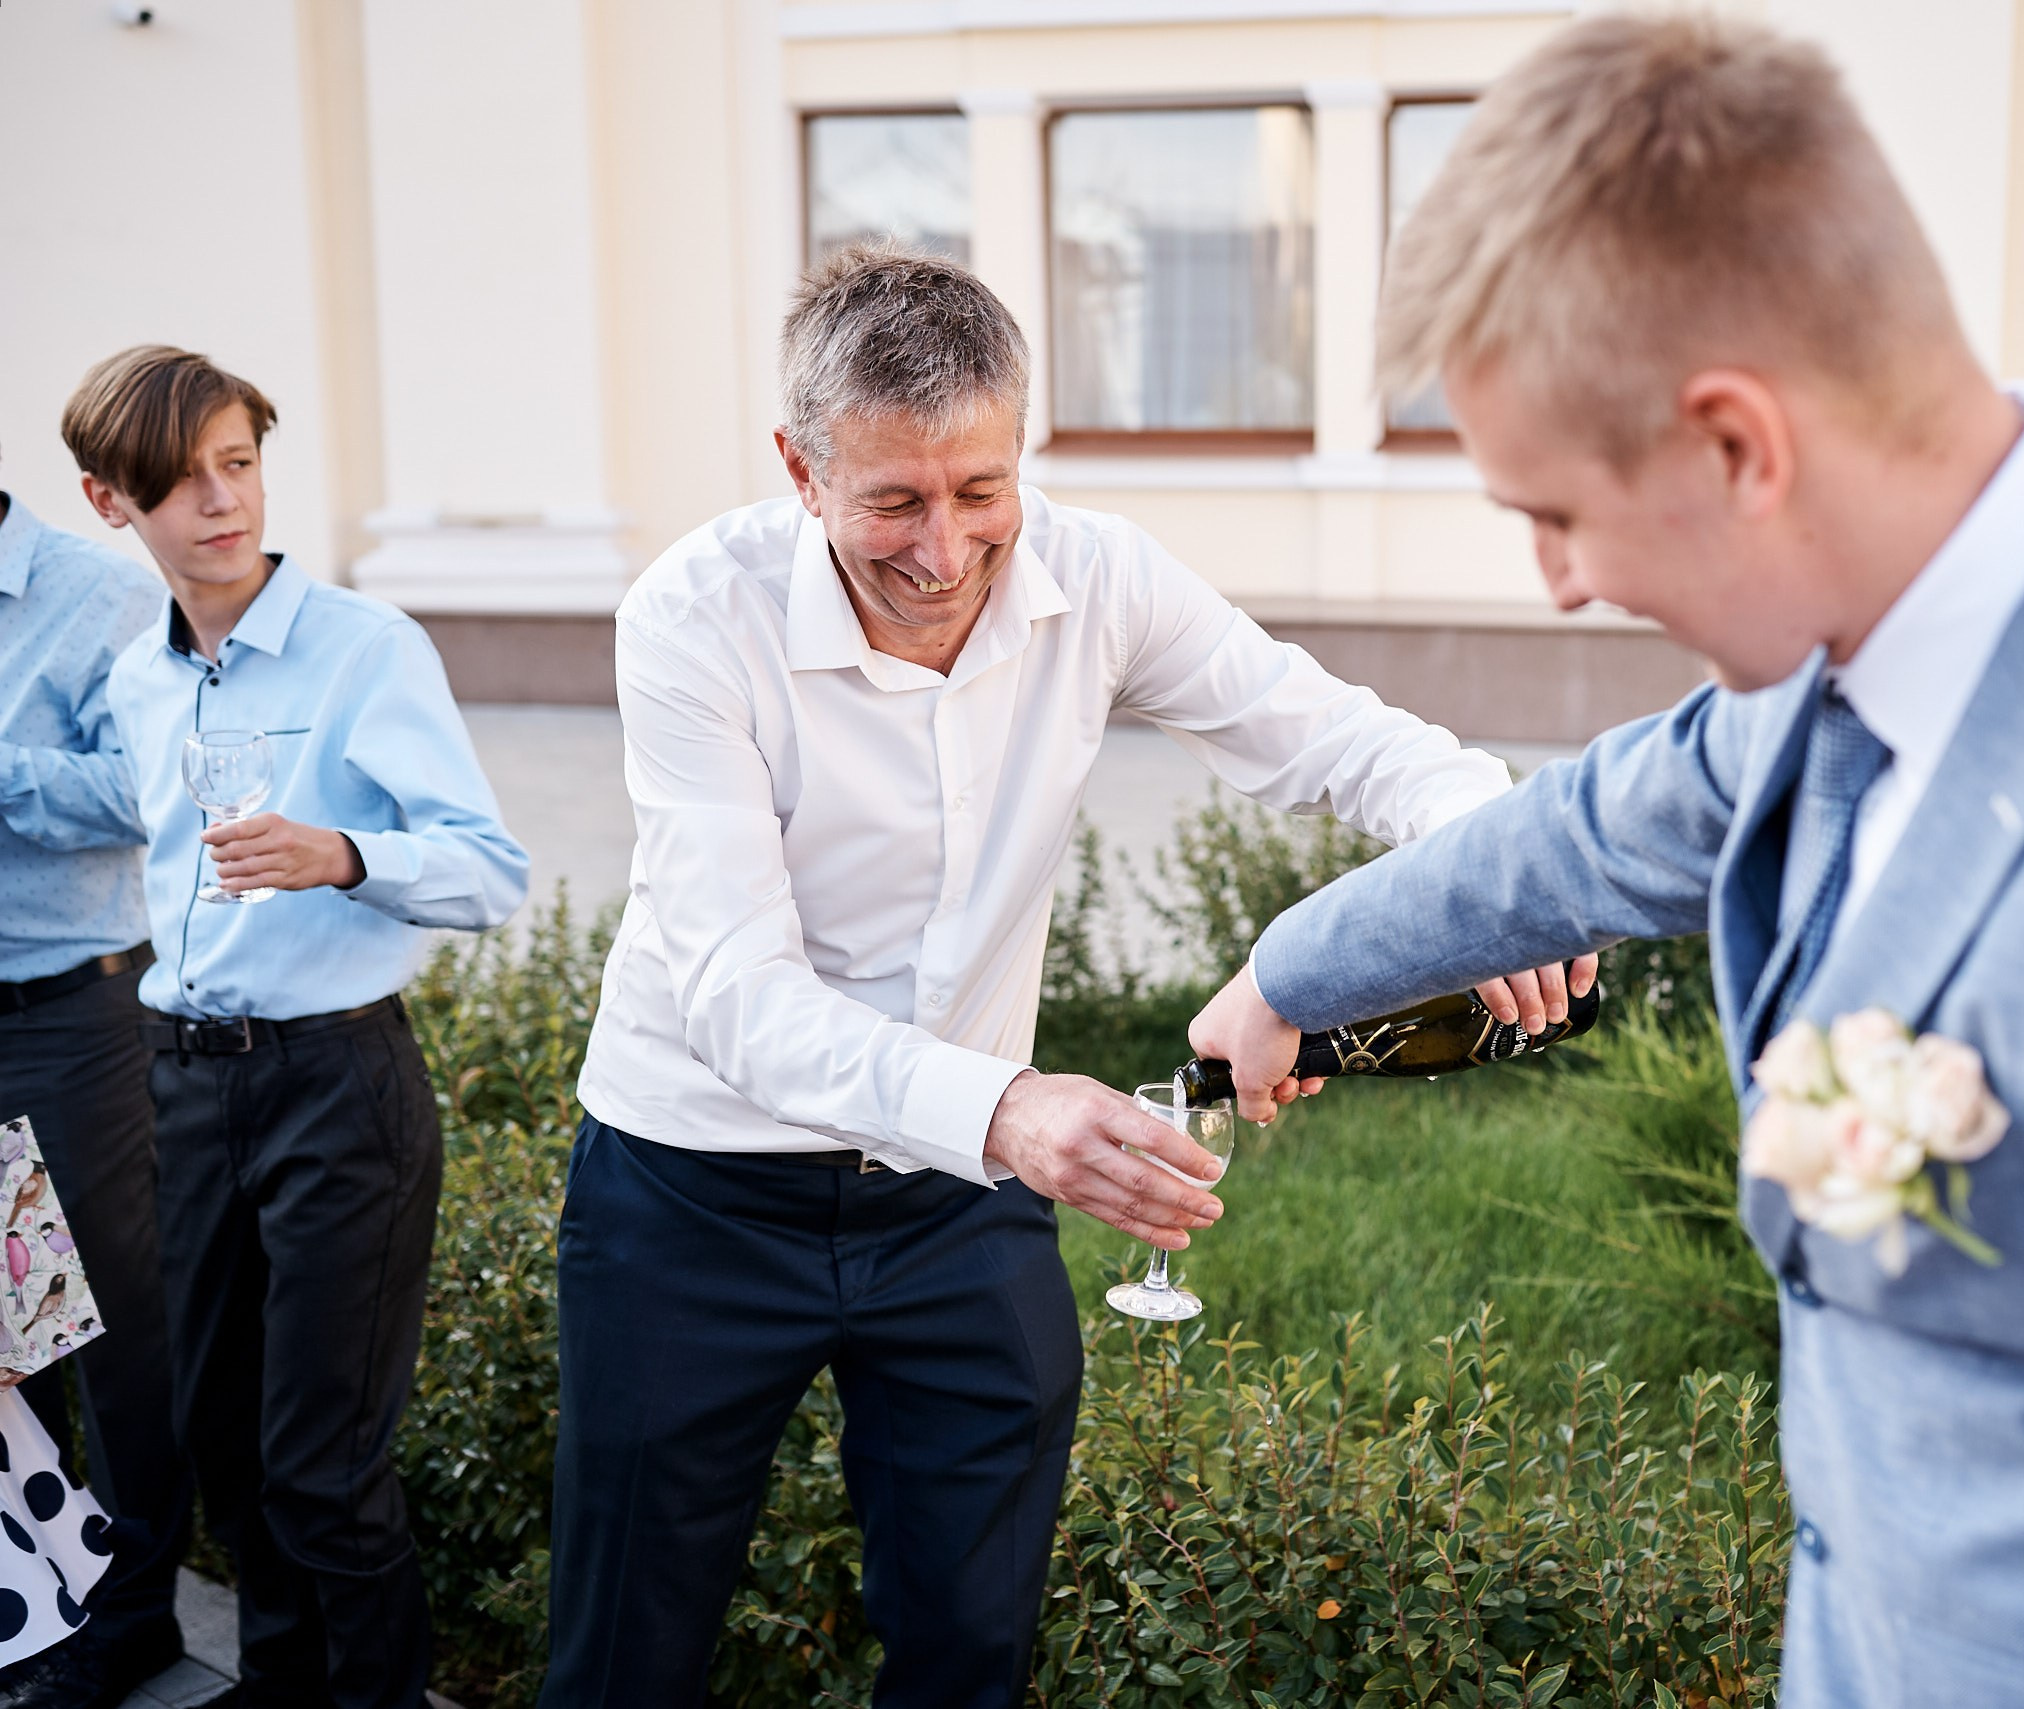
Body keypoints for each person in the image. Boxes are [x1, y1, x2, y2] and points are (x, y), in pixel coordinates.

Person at [1188, 15, 2024, 1708]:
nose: (1553, 581)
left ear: (1738, 446)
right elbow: (1572, 834)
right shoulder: (1836, 663)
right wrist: (1283, 976)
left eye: (1553, 511)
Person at [547, 244, 1587, 1708]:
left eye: (981, 490)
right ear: (798, 464)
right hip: (695, 1188)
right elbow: (739, 998)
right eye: (892, 500)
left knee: (975, 1641)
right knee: (624, 1649)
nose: (943, 547)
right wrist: (1016, 1110)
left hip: (957, 1208)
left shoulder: (1101, 577)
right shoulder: (689, 617)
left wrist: (1507, 870)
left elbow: (1337, 740)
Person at [66, 345, 529, 1708]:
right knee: (227, 1453)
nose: (222, 501)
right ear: (112, 502)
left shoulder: (367, 648)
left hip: (338, 1088)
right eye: (182, 479)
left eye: (240, 462)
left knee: (324, 1468)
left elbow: (492, 871)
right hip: (183, 1088)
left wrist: (341, 853)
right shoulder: (140, 679)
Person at [0, 478, 192, 1705]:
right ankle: (34, 1603)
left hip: (68, 1014)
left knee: (106, 1326)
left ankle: (132, 1615)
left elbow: (152, 790)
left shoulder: (101, 593)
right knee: (9, 1346)